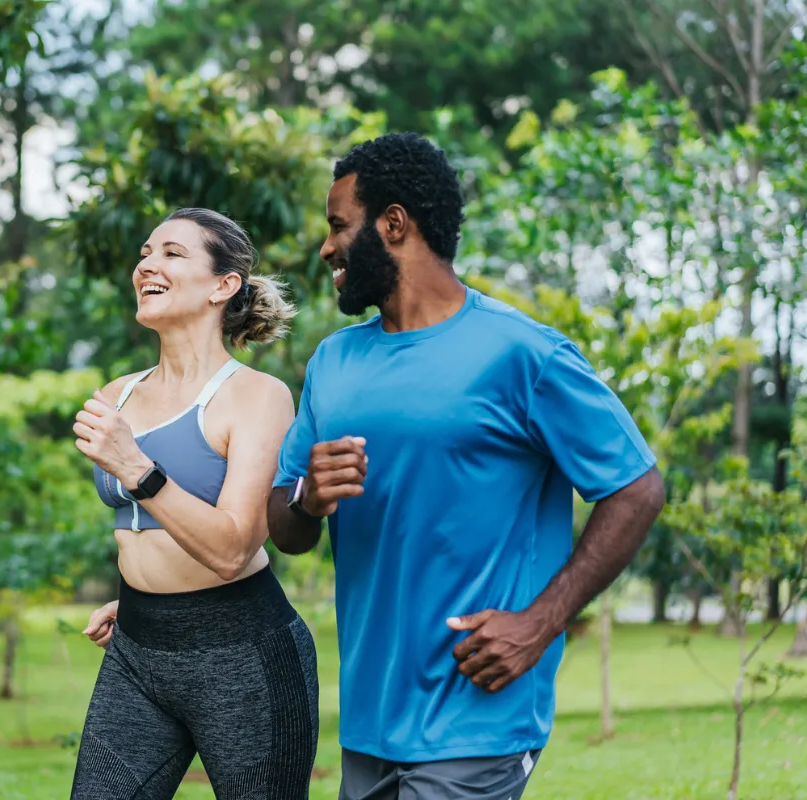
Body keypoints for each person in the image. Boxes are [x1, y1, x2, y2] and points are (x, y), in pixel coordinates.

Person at [265, 133, 666, 800]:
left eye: (339, 225)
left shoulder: (521, 353)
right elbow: (286, 527)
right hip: (368, 723)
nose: (327, 248)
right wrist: (308, 495)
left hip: (477, 721)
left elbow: (636, 487)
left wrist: (539, 623)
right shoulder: (334, 362)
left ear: (394, 224)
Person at [69, 207, 319, 800]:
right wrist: (146, 594)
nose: (147, 265)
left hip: (244, 652)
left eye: (172, 254)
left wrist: (136, 467)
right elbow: (146, 531)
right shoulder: (116, 394)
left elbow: (233, 549)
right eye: (145, 253)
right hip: (138, 644)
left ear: (223, 286)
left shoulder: (258, 397)